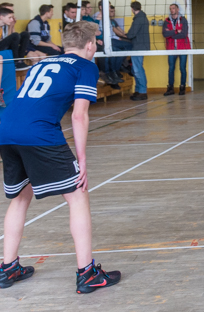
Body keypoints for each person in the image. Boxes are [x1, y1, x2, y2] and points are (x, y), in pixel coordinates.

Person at [0, 21, 122, 293]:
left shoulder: (41, 64)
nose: (96, 47)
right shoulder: (85, 66)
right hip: (38, 133)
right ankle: (87, 274)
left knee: (21, 197)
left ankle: (8, 268)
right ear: (89, 45)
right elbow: (79, 115)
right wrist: (82, 160)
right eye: (96, 42)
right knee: (78, 194)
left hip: (6, 129)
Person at [162, 4, 190, 96]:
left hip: (183, 48)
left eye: (173, 8)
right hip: (171, 48)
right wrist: (176, 31)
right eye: (170, 9)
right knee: (171, 68)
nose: (172, 10)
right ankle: (170, 88)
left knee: (182, 68)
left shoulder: (183, 20)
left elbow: (184, 34)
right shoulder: (166, 21)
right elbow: (165, 34)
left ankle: (182, 87)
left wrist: (171, 35)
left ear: (177, 9)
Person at [105, 5, 132, 89]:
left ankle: (123, 65)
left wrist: (127, 36)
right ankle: (119, 68)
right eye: (111, 11)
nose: (113, 13)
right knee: (126, 46)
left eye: (114, 11)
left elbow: (120, 30)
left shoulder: (112, 21)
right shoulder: (104, 20)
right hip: (109, 41)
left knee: (129, 45)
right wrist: (123, 37)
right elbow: (115, 32)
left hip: (114, 39)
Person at [126, 1, 149, 101]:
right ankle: (138, 90)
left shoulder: (139, 19)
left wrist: (123, 35)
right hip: (139, 46)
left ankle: (142, 92)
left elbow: (131, 34)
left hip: (138, 47)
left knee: (138, 69)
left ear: (132, 9)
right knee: (136, 69)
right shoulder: (142, 17)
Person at [0, 7, 20, 108]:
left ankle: (18, 61)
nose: (12, 19)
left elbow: (6, 39)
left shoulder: (2, 27)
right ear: (1, 17)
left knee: (21, 35)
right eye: (9, 17)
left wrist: (11, 26)